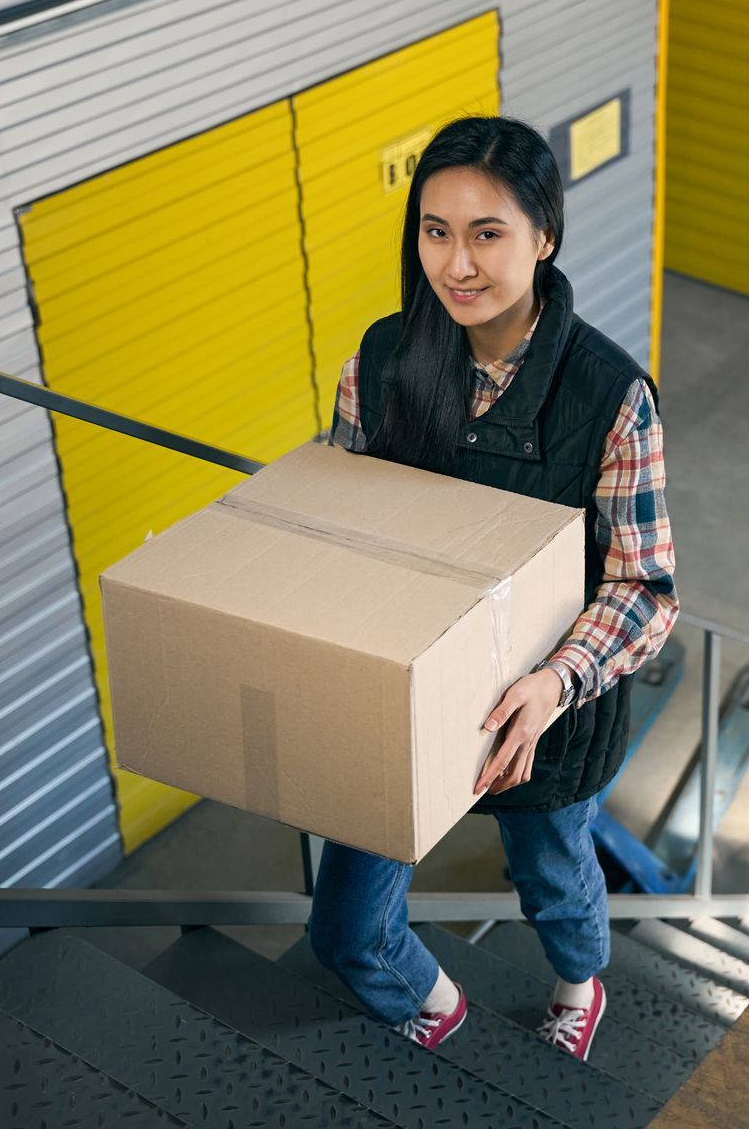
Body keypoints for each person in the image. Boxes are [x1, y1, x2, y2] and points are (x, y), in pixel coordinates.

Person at [308, 115, 676, 1061]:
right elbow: (349, 516)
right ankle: (438, 1011)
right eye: (436, 231)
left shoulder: (611, 395)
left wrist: (553, 684)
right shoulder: (383, 358)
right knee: (346, 929)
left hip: (544, 719)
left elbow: (645, 589)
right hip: (410, 705)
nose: (458, 264)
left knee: (555, 883)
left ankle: (578, 987)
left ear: (544, 235)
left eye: (487, 233)